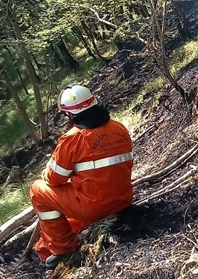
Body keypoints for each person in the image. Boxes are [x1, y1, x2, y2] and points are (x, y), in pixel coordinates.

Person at [29, 84, 134, 268]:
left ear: (69, 114)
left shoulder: (72, 139)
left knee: (37, 190)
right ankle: (67, 234)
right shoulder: (119, 128)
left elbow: (53, 179)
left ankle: (64, 249)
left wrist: (47, 171)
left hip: (95, 208)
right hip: (123, 199)